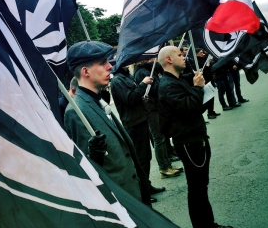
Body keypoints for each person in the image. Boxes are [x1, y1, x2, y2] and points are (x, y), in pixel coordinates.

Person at [158, 45, 235, 228]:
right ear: (168, 60)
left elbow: (196, 107)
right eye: (180, 54)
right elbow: (188, 108)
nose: (184, 57)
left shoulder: (177, 81)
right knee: (196, 189)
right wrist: (198, 87)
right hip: (188, 143)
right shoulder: (167, 85)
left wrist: (201, 88)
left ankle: (210, 225)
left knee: (202, 185)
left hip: (197, 139)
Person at [63, 41, 152, 205]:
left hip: (134, 193)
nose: (110, 66)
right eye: (103, 63)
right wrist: (94, 154)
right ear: (85, 71)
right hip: (119, 200)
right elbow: (86, 170)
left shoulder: (98, 99)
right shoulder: (76, 112)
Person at [110, 64, 173, 197]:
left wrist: (142, 97)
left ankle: (146, 185)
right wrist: (143, 84)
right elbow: (129, 98)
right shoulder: (117, 80)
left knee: (146, 157)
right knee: (140, 159)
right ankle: (143, 192)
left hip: (141, 119)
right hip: (133, 123)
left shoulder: (126, 77)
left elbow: (134, 96)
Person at [133, 59, 183, 179]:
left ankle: (168, 164)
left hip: (156, 107)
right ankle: (164, 168)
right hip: (151, 108)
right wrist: (157, 83)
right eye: (149, 58)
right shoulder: (142, 72)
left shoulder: (151, 69)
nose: (152, 59)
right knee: (158, 138)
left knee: (162, 136)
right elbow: (150, 90)